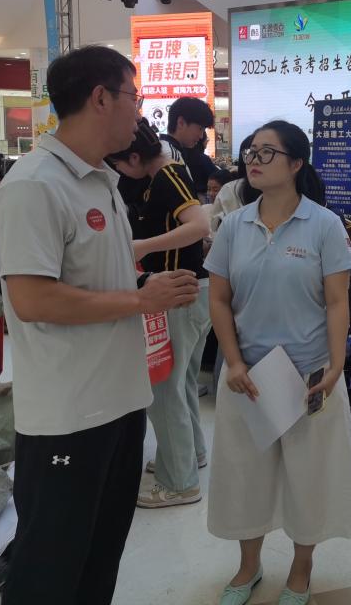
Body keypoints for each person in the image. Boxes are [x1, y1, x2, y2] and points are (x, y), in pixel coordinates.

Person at [0, 45, 199, 605]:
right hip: (69, 415)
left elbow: (95, 270)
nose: (141, 112)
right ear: (101, 98)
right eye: (135, 96)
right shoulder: (35, 185)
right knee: (50, 567)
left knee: (100, 558)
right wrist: (140, 300)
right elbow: (32, 299)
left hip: (121, 402)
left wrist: (146, 286)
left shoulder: (101, 179)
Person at [206, 120, 351, 605]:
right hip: (248, 377)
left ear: (296, 163)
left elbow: (337, 302)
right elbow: (219, 300)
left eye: (267, 153)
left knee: (308, 478)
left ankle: (301, 569)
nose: (253, 160)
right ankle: (248, 566)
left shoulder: (324, 224)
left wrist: (335, 367)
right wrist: (233, 363)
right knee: (244, 478)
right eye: (251, 152)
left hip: (308, 375)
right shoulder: (234, 225)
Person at [109, 118, 212, 508]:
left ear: (134, 157)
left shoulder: (168, 175)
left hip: (179, 294)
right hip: (191, 291)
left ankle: (179, 483)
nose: (120, 172)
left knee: (164, 388)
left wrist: (142, 247)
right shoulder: (167, 175)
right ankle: (189, 455)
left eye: (120, 163)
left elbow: (199, 225)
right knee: (181, 382)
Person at [161, 96, 214, 166]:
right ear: (181, 123)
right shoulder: (171, 158)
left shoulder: (174, 152)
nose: (201, 136)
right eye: (200, 128)